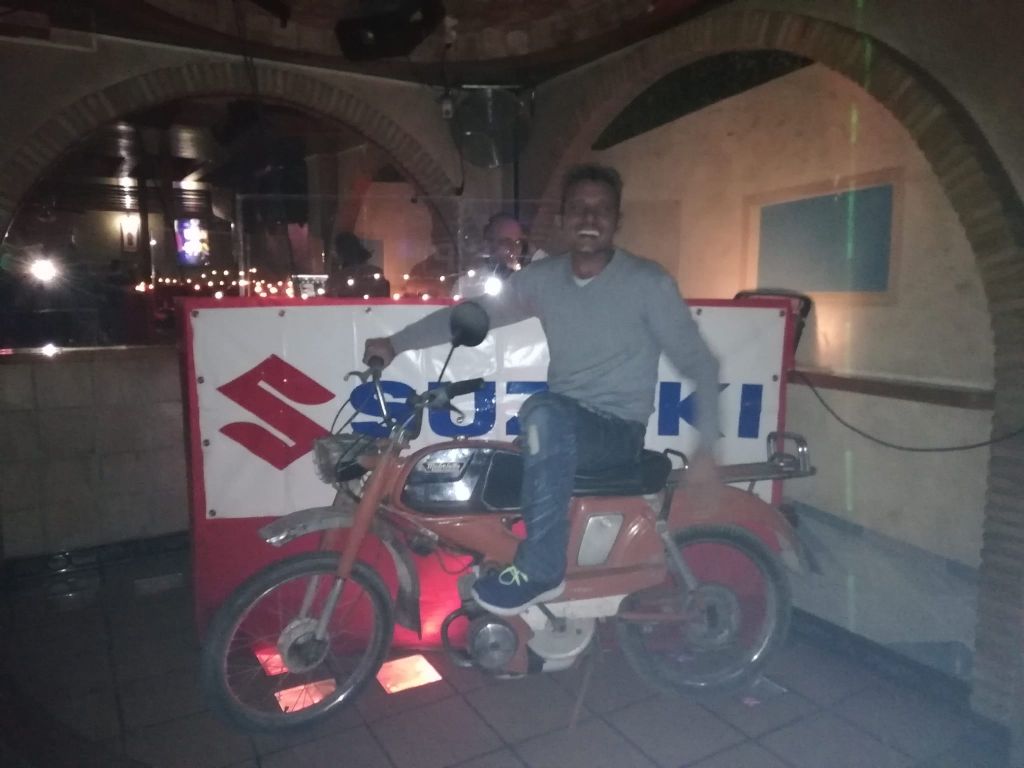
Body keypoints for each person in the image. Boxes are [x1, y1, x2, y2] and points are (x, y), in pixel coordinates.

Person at [363, 163, 721, 615]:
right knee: (501, 456)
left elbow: (700, 363)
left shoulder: (649, 283)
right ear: (562, 218)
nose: (589, 218)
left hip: (616, 433)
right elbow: (477, 313)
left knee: (542, 413)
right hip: (565, 425)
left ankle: (542, 570)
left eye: (601, 209)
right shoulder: (543, 279)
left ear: (617, 220)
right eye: (579, 208)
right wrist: (396, 343)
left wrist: (706, 451)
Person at [453, 212, 528, 299]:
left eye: (518, 243)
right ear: (488, 244)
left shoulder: (528, 284)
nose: (513, 248)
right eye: (506, 242)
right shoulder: (466, 286)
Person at [325, 232, 390, 298]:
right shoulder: (376, 272)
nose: (333, 254)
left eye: (334, 251)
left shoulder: (335, 279)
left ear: (340, 253)